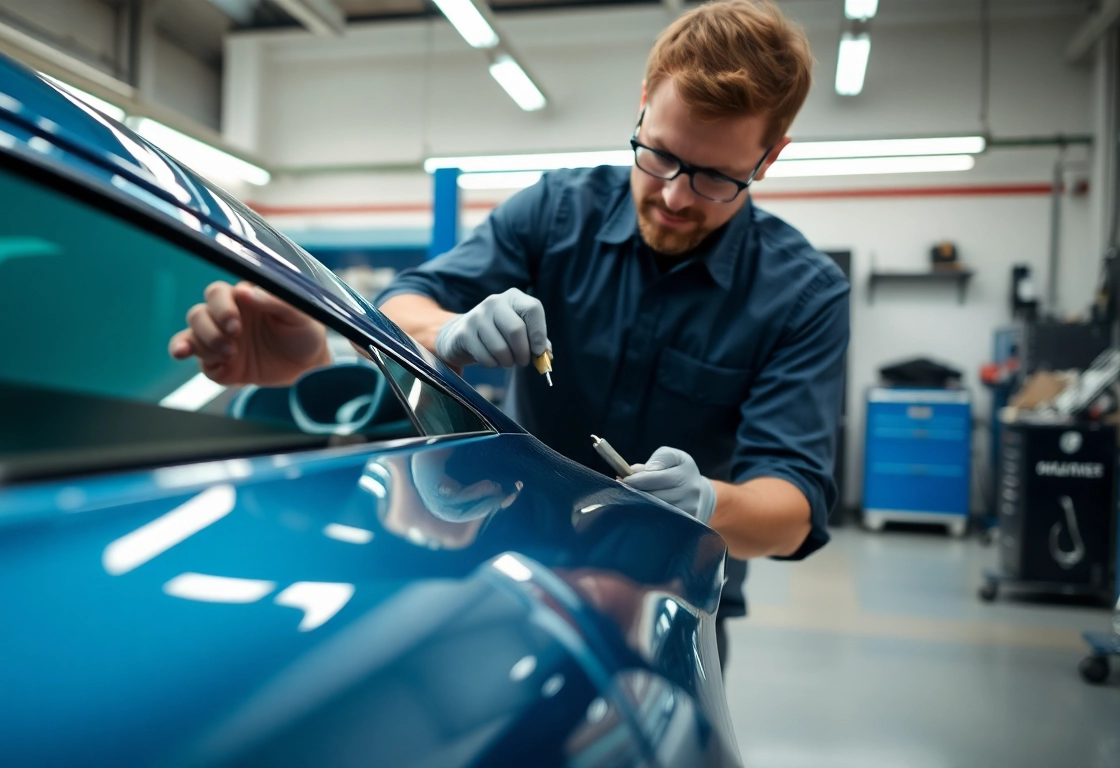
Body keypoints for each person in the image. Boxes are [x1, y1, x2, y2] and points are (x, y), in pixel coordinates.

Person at [171, 0, 848, 666]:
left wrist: (710, 500)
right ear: (643, 102)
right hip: (513, 571)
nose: (674, 196)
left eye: (715, 178)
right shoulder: (556, 211)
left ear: (769, 157)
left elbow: (792, 507)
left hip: (668, 604)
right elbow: (404, 305)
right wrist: (450, 330)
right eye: (660, 154)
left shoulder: (802, 296)